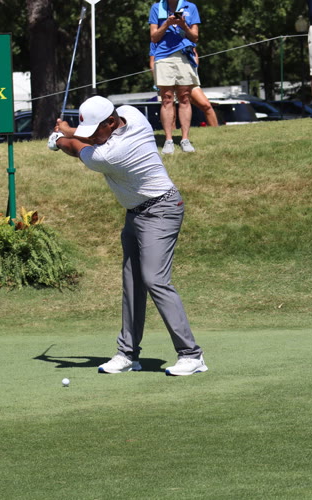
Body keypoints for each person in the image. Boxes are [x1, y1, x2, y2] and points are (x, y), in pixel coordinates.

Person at [47, 96, 208, 376]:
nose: (93, 137)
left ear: (111, 122)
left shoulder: (109, 155)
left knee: (155, 279)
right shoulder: (132, 114)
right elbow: (86, 137)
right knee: (132, 283)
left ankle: (191, 355)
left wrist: (59, 139)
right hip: (135, 213)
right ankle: (128, 354)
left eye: (97, 131)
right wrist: (69, 130)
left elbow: (76, 147)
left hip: (162, 210)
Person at [149, 0, 201, 154]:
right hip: (163, 57)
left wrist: (183, 25)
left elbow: (195, 37)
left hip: (184, 55)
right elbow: (154, 37)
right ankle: (168, 140)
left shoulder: (190, 7)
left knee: (185, 98)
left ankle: (185, 139)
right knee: (167, 99)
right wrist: (167, 24)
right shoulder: (157, 8)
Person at [149, 51, 219, 128]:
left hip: (186, 77)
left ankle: (216, 131)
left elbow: (194, 53)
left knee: (206, 105)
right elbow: (153, 62)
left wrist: (193, 69)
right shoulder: (158, 43)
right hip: (167, 79)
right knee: (172, 116)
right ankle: (173, 135)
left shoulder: (185, 42)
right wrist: (158, 80)